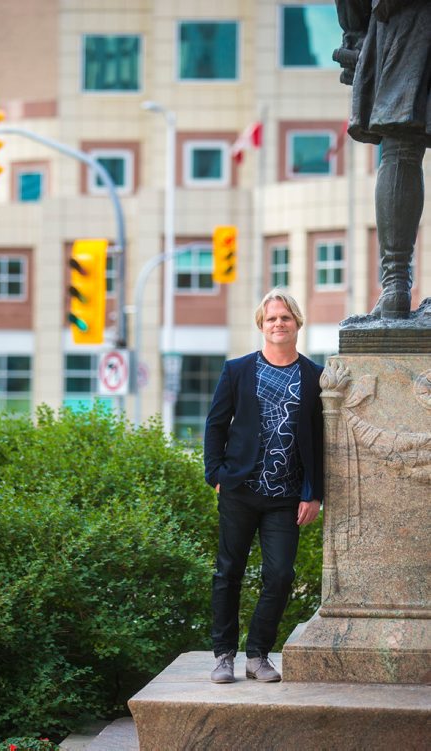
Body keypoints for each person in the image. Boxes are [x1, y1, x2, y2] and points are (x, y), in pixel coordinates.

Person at [204, 289, 323, 684]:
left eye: (285, 318)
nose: (278, 324)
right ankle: (223, 656)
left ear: (297, 324)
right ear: (261, 325)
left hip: (286, 499)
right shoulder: (237, 370)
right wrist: (215, 474)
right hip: (239, 490)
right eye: (271, 319)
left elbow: (319, 440)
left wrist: (314, 492)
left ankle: (257, 655)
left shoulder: (314, 376)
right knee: (229, 573)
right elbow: (216, 425)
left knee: (280, 575)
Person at [333, 0, 431, 319]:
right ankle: (394, 288)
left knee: (401, 143)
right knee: (400, 142)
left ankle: (395, 288)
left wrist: (356, 34)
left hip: (407, 16)